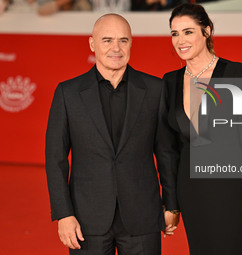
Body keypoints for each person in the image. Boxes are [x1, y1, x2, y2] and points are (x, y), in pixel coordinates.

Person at [45, 13, 179, 255]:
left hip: (142, 216)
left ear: (131, 43)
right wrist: (64, 214)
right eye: (107, 40)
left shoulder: (155, 89)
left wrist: (172, 205)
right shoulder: (68, 93)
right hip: (87, 220)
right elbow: (55, 160)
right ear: (92, 43)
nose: (115, 48)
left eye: (123, 40)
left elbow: (166, 152)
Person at [162, 3, 242, 255]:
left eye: (188, 32)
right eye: (174, 33)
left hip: (230, 189)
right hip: (190, 190)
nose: (180, 40)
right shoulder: (170, 81)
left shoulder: (235, 72)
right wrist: (172, 204)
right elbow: (169, 149)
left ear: (207, 31)